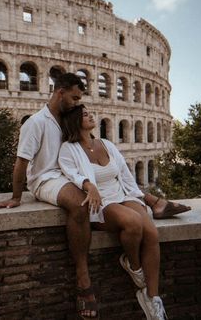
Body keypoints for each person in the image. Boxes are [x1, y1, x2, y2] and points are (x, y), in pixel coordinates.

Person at [0, 73, 190, 320]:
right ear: (59, 91)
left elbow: (105, 162)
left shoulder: (67, 120)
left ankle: (153, 296)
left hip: (71, 177)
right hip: (46, 178)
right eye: (74, 97)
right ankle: (84, 281)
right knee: (79, 204)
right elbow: (21, 161)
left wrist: (136, 195)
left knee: (146, 228)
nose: (77, 103)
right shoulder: (36, 122)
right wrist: (16, 197)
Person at [58, 104, 168, 319]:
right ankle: (134, 265)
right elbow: (72, 175)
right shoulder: (68, 149)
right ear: (74, 122)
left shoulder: (106, 144)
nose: (90, 115)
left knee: (152, 234)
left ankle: (152, 299)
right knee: (133, 222)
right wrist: (89, 185)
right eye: (85, 114)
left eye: (90, 113)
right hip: (101, 203)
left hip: (123, 194)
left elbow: (125, 175)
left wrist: (140, 196)